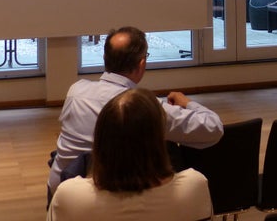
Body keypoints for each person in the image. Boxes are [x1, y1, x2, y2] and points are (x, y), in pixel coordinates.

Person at [48, 26, 223, 195]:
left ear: (105, 58)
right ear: (142, 63)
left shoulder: (75, 91)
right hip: (103, 199)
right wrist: (188, 103)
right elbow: (213, 128)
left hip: (61, 190)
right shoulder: (146, 109)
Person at [47, 88, 212, 221]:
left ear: (100, 140)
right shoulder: (194, 186)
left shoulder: (70, 196)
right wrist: (188, 103)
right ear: (159, 142)